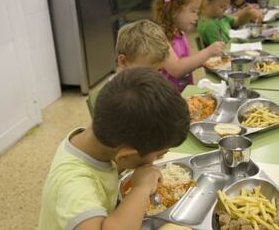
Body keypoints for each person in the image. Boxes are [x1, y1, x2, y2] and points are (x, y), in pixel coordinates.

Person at [37, 68, 191, 230]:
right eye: (159, 155)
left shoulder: (94, 140)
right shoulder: (73, 187)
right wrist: (141, 188)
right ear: (125, 157)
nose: (158, 160)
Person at [153, 0, 226, 92]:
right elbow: (177, 69)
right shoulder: (162, 37)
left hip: (184, 93)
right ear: (175, 10)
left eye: (197, 12)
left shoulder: (180, 33)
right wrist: (208, 52)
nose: (196, 17)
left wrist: (203, 61)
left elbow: (186, 62)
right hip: (170, 98)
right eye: (193, 11)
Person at [197, 0, 263, 47]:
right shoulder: (209, 26)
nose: (226, 7)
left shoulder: (220, 17)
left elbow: (238, 21)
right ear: (205, 4)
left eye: (228, 3)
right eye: (222, 6)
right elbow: (222, 51)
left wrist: (248, 14)